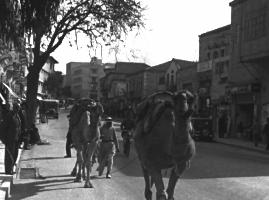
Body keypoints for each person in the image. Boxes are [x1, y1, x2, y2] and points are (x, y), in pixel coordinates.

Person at [2, 102, 22, 174]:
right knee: (9, 156)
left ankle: (11, 168)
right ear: (13, 108)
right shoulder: (9, 116)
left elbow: (19, 127)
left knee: (15, 155)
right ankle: (8, 171)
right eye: (16, 107)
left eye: (18, 108)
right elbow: (2, 129)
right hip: (9, 139)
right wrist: (4, 140)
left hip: (16, 139)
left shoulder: (17, 116)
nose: (18, 109)